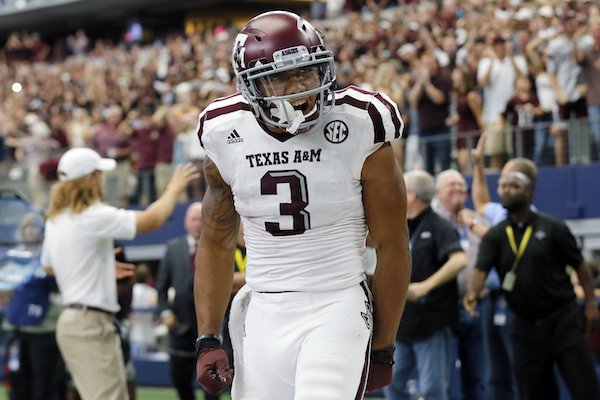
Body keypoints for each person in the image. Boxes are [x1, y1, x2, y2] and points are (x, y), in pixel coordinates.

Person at [193, 10, 411, 400]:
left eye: (306, 72)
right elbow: (215, 241)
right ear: (250, 84)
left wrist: (384, 345)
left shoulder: (360, 123)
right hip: (261, 309)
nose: (299, 87)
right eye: (279, 76)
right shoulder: (224, 132)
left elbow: (393, 244)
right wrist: (207, 336)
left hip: (337, 300)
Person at [41, 147, 198, 400]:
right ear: (91, 179)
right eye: (99, 174)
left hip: (80, 321)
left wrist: (94, 266)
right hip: (89, 323)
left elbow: (49, 266)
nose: (103, 179)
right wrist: (174, 187)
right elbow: (152, 219)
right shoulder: (92, 215)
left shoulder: (56, 219)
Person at [463, 167, 600, 400]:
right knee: (534, 391)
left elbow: (580, 266)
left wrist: (590, 304)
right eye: (504, 187)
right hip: (523, 325)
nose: (507, 191)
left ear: (530, 194)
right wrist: (472, 294)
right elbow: (480, 270)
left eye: (514, 186)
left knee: (584, 387)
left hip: (562, 320)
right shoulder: (496, 235)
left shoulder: (553, 227)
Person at [385, 170, 467, 400]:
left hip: (432, 322)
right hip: (403, 323)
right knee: (393, 384)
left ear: (411, 196)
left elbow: (460, 260)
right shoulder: (400, 224)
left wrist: (425, 287)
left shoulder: (439, 225)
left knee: (433, 389)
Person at [433, 170, 490, 400]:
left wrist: (474, 223)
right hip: (444, 308)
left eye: (461, 185)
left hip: (478, 306)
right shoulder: (433, 222)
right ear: (438, 193)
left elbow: (493, 249)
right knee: (443, 377)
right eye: (451, 185)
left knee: (478, 376)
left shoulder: (478, 221)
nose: (458, 188)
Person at [156, 202, 219, 400]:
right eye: (194, 219)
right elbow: (161, 288)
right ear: (185, 222)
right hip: (179, 329)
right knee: (180, 380)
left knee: (212, 385)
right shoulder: (172, 249)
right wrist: (166, 312)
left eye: (202, 219)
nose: (198, 224)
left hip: (211, 330)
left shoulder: (219, 248)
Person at [2, 212, 67, 400]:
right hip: (16, 328)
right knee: (17, 381)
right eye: (27, 227)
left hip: (44, 328)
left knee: (44, 384)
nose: (31, 231)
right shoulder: (12, 256)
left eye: (35, 227)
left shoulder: (51, 256)